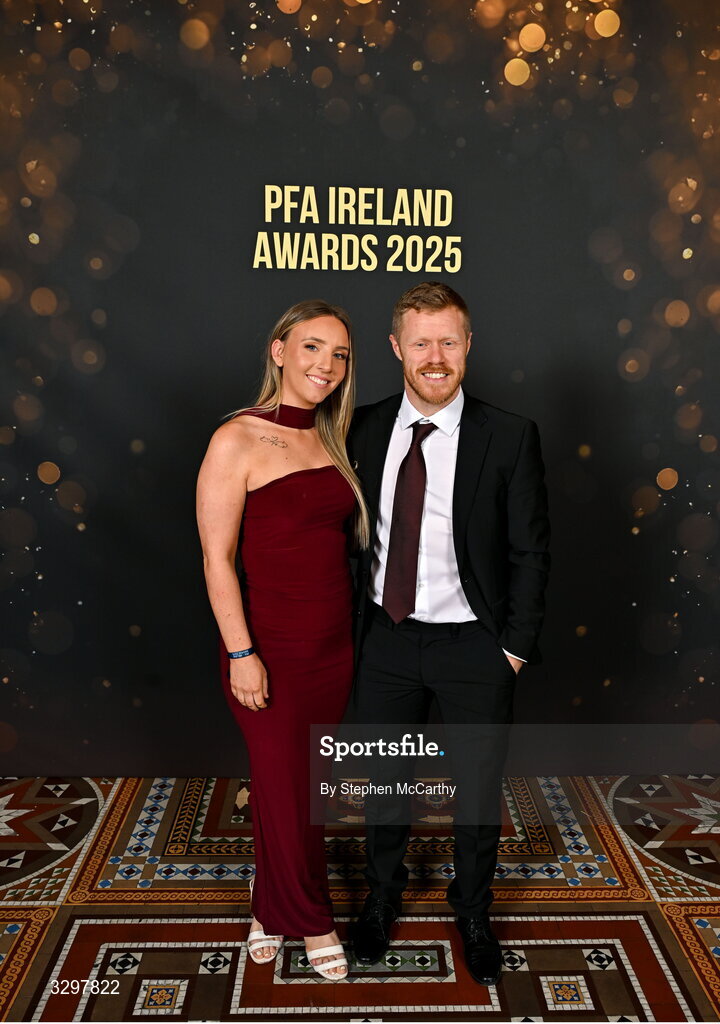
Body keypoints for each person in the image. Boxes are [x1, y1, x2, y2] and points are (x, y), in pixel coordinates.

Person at [348, 281, 550, 986]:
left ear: (468, 346)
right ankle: (381, 898)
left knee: (477, 791)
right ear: (396, 347)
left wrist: (513, 650)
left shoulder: (510, 435)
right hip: (385, 639)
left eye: (449, 341)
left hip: (474, 645)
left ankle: (473, 911)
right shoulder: (360, 428)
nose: (435, 357)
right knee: (384, 784)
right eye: (421, 342)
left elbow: (531, 551)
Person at [196, 299, 368, 981]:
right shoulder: (236, 438)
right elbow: (216, 560)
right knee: (284, 783)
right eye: (312, 347)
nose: (326, 364)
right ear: (279, 351)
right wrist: (242, 654)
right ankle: (313, 919)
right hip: (266, 648)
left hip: (333, 646)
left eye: (339, 354)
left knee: (299, 786)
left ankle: (268, 905)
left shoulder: (332, 436)